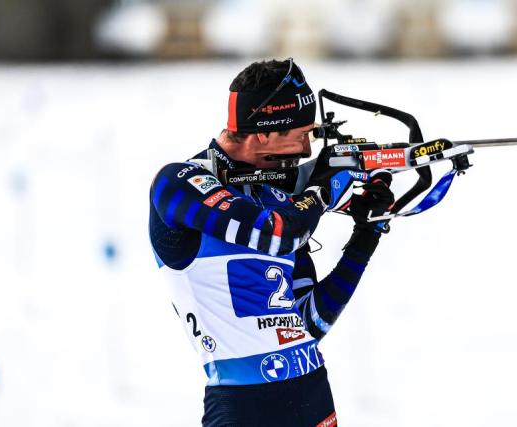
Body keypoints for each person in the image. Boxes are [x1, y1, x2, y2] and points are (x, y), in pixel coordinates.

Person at [148, 58, 393, 427]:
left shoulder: (276, 197)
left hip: (312, 392)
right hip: (244, 405)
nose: (308, 149)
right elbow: (278, 235)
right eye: (301, 133)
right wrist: (323, 190)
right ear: (263, 133)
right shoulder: (178, 184)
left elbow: (308, 324)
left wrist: (367, 232)